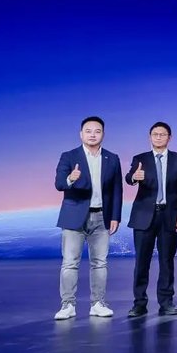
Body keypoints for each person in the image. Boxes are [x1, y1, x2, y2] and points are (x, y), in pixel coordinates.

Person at [53, 116, 123, 320]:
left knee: (100, 263)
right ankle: (67, 305)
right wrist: (70, 178)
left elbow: (117, 190)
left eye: (97, 131)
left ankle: (98, 303)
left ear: (103, 134)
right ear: (81, 134)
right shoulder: (69, 156)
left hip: (102, 216)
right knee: (69, 263)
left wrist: (115, 216)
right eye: (88, 131)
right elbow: (59, 184)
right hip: (74, 216)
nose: (93, 134)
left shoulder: (112, 158)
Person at [125, 121, 177, 317]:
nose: (159, 137)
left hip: (169, 216)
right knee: (141, 262)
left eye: (162, 134)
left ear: (169, 138)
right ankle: (139, 303)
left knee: (166, 261)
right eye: (155, 134)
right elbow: (129, 177)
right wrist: (134, 177)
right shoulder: (140, 159)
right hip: (144, 216)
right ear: (150, 137)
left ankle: (166, 302)